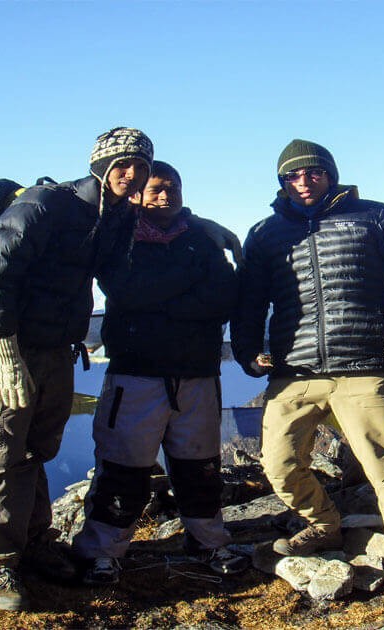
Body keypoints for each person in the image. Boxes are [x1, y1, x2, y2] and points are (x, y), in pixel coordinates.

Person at [231, 139, 384, 627]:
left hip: (364, 367)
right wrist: (246, 349)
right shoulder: (265, 234)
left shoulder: (374, 217)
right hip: (294, 372)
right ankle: (323, 523)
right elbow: (249, 300)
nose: (303, 183)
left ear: (330, 174)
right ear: (282, 183)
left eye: (313, 173)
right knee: (279, 463)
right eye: (292, 176)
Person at [0, 127, 154, 611]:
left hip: (58, 351)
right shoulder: (48, 203)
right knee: (0, 452)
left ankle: (34, 544)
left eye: (141, 166)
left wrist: (197, 227)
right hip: (11, 349)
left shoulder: (114, 215)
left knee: (35, 450)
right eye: (123, 163)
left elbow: (117, 274)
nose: (132, 174)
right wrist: (5, 351)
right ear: (100, 164)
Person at [72, 161, 250, 585]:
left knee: (200, 466)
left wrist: (160, 301)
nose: (165, 196)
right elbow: (126, 291)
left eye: (172, 188)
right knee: (122, 467)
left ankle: (208, 541)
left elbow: (223, 298)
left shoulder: (202, 239)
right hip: (137, 372)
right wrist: (187, 288)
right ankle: (101, 552)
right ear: (135, 194)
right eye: (154, 189)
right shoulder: (119, 238)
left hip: (196, 373)